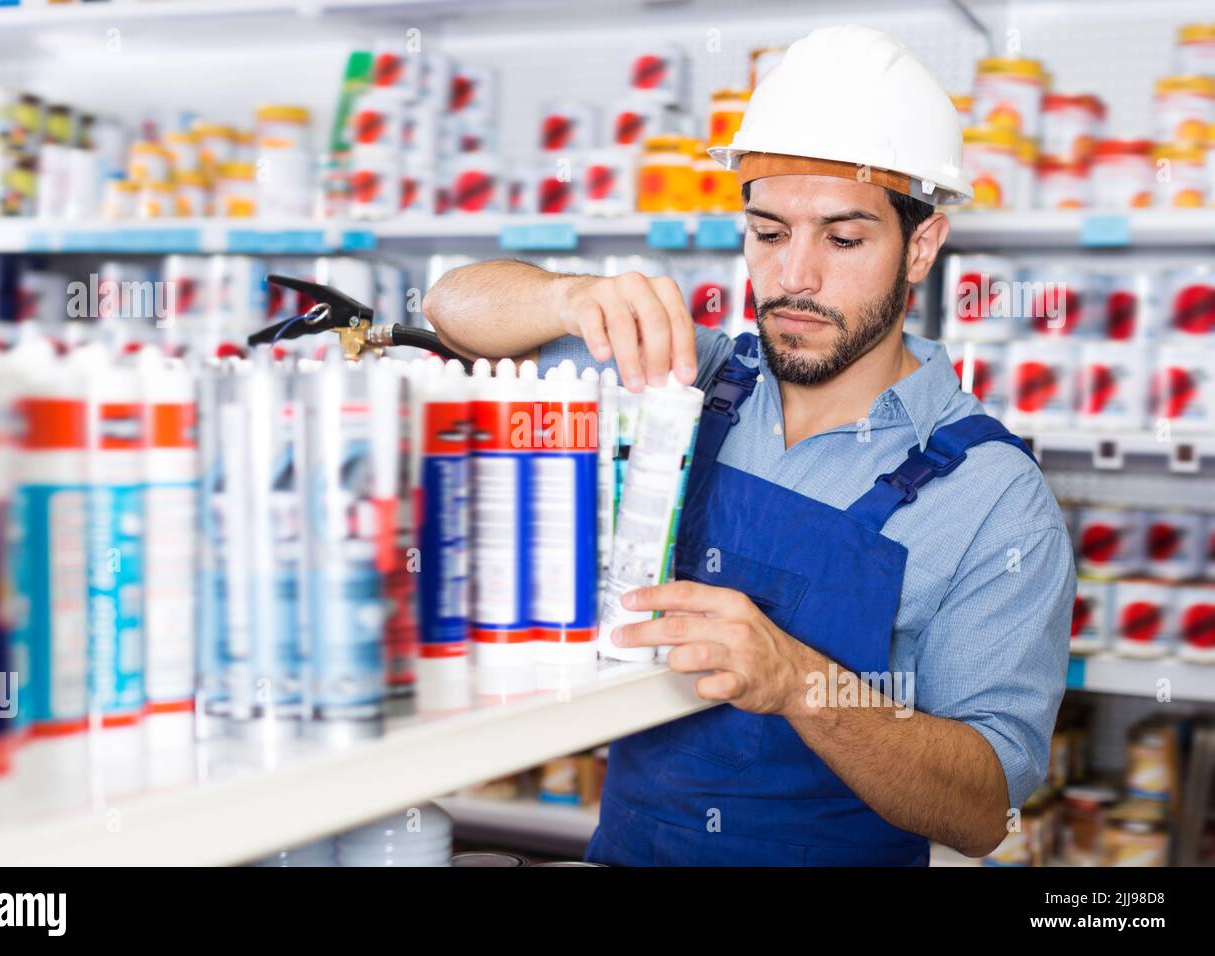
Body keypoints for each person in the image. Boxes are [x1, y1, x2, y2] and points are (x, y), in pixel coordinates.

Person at [423, 24, 1074, 866]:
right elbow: (450, 309)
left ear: (921, 246)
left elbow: (985, 807)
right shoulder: (685, 377)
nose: (795, 276)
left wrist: (802, 682)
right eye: (769, 233)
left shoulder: (991, 499)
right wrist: (572, 295)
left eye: (843, 239)